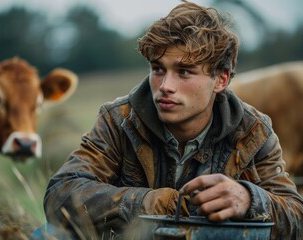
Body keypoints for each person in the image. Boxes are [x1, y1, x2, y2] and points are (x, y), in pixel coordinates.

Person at [43, 1, 303, 239]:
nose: (165, 86)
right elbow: (60, 194)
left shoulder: (253, 131)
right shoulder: (118, 120)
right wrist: (152, 203)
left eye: (184, 72)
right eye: (158, 69)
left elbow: (296, 217)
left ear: (221, 79)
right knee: (43, 235)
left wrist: (248, 199)